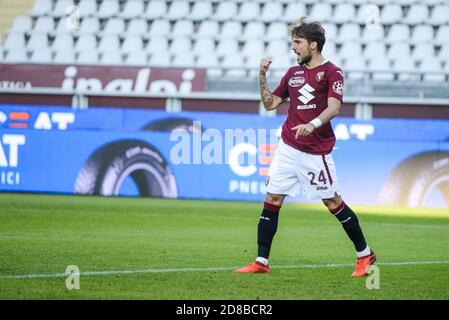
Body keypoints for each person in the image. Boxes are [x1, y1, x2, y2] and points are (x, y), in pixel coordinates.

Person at [235, 18, 376, 277]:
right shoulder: (293, 73)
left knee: (333, 202)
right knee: (272, 198)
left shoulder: (332, 72)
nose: (293, 48)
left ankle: (364, 254)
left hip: (315, 151)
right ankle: (261, 261)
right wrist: (262, 76)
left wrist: (312, 124)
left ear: (313, 45)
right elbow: (270, 104)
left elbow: (334, 107)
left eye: (298, 43)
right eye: (293, 43)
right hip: (288, 147)